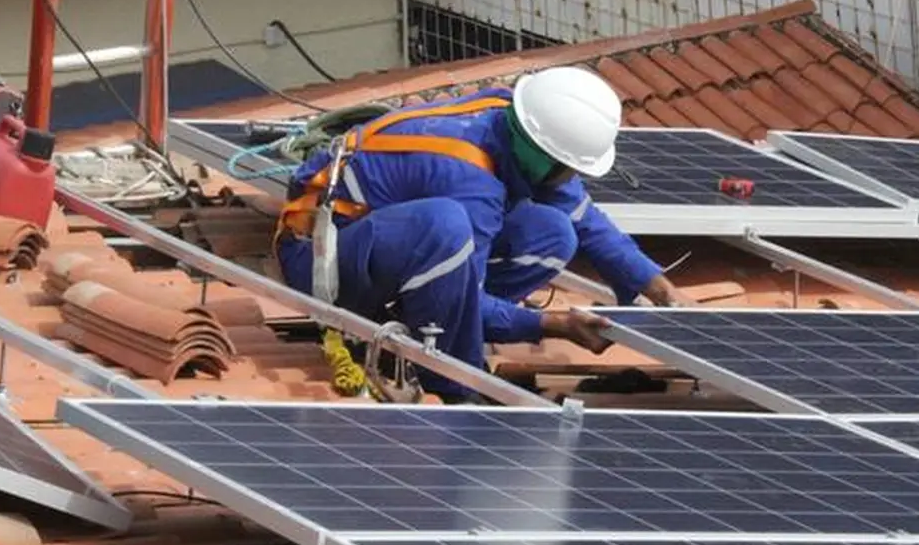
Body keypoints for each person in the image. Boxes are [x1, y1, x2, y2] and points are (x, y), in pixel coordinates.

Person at [273, 66, 694, 403]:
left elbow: (585, 218)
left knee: (554, 233)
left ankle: (435, 313)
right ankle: (454, 379)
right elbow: (467, 291)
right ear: (543, 156)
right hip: (319, 259)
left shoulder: (514, 121)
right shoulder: (471, 182)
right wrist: (547, 324)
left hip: (382, 242)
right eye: (570, 168)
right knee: (446, 228)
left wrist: (658, 288)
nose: (573, 179)